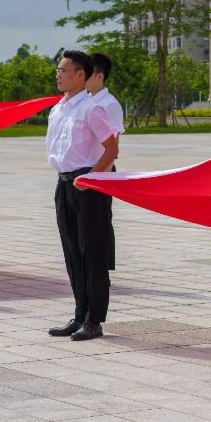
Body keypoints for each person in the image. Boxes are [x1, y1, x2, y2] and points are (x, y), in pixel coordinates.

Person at [46, 50, 120, 340]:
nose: (58, 75)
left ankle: (94, 319)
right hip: (64, 185)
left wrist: (92, 177)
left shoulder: (92, 109)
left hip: (88, 186)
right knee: (72, 252)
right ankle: (79, 314)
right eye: (58, 70)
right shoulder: (58, 109)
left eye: (63, 70)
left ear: (81, 75)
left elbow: (111, 149)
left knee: (92, 253)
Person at [88, 52, 124, 272]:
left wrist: (102, 175)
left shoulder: (109, 104)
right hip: (91, 170)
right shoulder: (88, 101)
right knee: (91, 222)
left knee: (100, 221)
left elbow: (114, 142)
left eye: (87, 73)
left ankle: (102, 271)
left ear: (99, 76)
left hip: (102, 170)